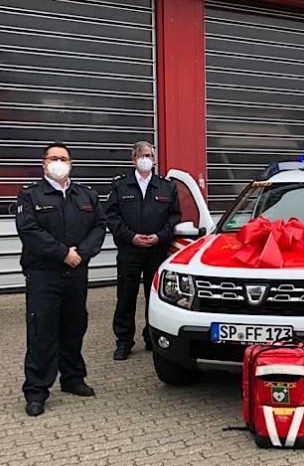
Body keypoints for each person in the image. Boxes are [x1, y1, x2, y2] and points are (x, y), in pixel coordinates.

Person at [15, 143, 105, 417]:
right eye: (53, 158)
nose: (58, 162)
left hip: (77, 273)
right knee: (42, 331)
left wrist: (82, 254)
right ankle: (36, 391)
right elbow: (28, 230)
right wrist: (63, 253)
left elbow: (99, 227)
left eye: (63, 158)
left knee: (74, 326)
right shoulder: (30, 195)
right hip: (44, 274)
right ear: (43, 164)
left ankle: (73, 378)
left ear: (71, 163)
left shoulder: (86, 194)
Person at [105, 141, 181, 361]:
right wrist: (131, 237)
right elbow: (112, 217)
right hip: (130, 250)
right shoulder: (120, 186)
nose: (146, 159)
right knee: (126, 297)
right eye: (142, 155)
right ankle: (124, 342)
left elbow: (175, 217)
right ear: (133, 159)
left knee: (154, 296)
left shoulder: (166, 186)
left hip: (157, 250)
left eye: (149, 155)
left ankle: (152, 337)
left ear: (154, 159)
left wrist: (160, 236)